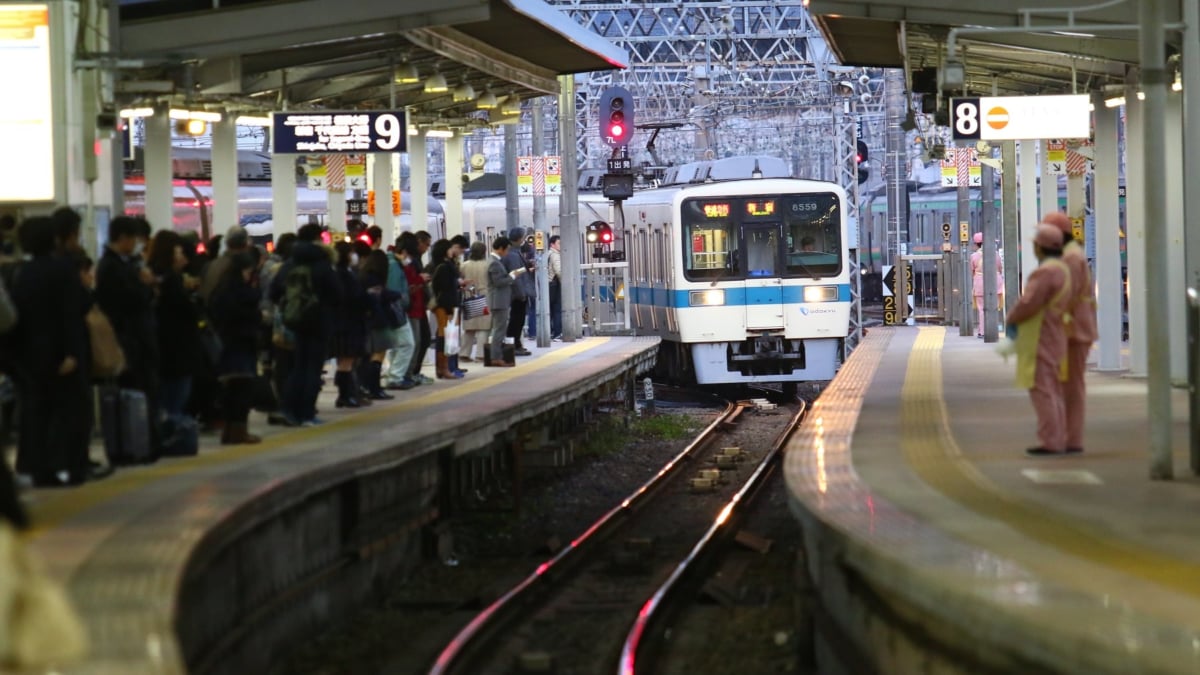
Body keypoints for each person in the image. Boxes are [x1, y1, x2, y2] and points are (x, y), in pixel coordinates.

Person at [10, 217, 93, 485]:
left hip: (30, 355)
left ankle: (37, 468)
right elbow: (72, 311)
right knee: (72, 412)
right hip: (62, 353)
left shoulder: (19, 272)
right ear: (54, 239)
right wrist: (71, 352)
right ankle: (72, 466)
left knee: (36, 413)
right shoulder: (63, 270)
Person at [95, 216, 161, 462]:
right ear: (122, 238)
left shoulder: (125, 264)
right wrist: (146, 286)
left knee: (144, 391)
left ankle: (143, 443)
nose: (137, 245)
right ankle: (137, 446)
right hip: (129, 341)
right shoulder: (111, 268)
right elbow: (130, 301)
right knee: (137, 391)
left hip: (137, 339)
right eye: (134, 239)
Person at [1006, 224, 1073, 457]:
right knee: (1053, 389)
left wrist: (1011, 318)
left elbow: (1029, 302)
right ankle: (1058, 437)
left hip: (1040, 335)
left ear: (1040, 247)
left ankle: (1051, 441)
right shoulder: (1062, 269)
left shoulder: (1045, 272)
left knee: (1042, 389)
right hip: (1056, 332)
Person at [270, 224, 339, 427]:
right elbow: (337, 293)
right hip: (319, 323)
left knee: (298, 367)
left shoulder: (290, 262)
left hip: (296, 322)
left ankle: (289, 410)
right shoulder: (322, 263)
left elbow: (274, 291)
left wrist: (290, 308)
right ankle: (307, 414)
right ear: (318, 239)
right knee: (312, 369)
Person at [1043, 212, 1095, 454]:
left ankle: (1072, 440)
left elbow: (1065, 295)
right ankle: (1065, 437)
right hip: (1070, 328)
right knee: (1065, 385)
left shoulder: (1072, 258)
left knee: (1072, 386)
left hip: (1074, 329)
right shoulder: (1070, 256)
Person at [148, 231, 201, 424]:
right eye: (179, 253)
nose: (183, 259)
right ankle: (172, 435)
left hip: (163, 347)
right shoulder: (172, 281)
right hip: (177, 348)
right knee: (176, 396)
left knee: (166, 396)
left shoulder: (153, 277)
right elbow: (187, 311)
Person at [209, 253, 262, 444]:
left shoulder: (221, 288)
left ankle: (230, 430)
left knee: (232, 388)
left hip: (227, 342)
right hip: (241, 342)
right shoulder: (241, 291)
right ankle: (239, 430)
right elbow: (248, 312)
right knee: (242, 387)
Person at [330, 241, 368, 407]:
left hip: (345, 322)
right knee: (346, 360)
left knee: (346, 360)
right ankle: (345, 396)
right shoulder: (343, 274)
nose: (354, 256)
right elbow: (352, 297)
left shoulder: (343, 272)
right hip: (347, 323)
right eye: (351, 252)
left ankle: (347, 394)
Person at [429, 239, 464, 379]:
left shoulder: (445, 266)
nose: (452, 251)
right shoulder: (444, 267)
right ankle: (443, 369)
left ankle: (443, 368)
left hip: (447, 305)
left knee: (446, 337)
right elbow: (443, 289)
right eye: (450, 249)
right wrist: (450, 308)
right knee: (444, 337)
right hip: (445, 306)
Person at [487, 236, 524, 367]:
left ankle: (496, 356)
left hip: (499, 300)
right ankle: (495, 357)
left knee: (498, 329)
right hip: (498, 301)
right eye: (507, 250)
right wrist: (512, 276)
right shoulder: (494, 262)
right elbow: (498, 282)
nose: (507, 253)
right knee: (499, 330)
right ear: (501, 249)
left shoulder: (495, 261)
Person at [459, 242, 492, 361]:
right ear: (484, 252)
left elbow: (460, 279)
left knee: (469, 327)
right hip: (485, 297)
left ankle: (464, 353)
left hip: (469, 296)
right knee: (484, 327)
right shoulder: (488, 265)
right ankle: (481, 355)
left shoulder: (464, 265)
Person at [503, 227, 533, 357]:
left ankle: (516, 345)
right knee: (516, 321)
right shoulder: (513, 254)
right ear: (520, 238)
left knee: (517, 321)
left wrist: (527, 266)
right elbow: (516, 276)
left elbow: (518, 271)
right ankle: (513, 346)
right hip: (517, 294)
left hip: (516, 293)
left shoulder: (514, 252)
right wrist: (521, 294)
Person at [970, 232, 1004, 338]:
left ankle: (982, 331)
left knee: (981, 309)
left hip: (979, 283)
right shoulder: (995, 255)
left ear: (977, 244)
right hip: (995, 282)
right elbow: (999, 268)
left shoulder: (973, 256)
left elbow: (972, 271)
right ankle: (994, 330)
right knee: (994, 307)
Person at [547, 235, 563, 340]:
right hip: (554, 285)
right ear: (552, 244)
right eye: (559, 243)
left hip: (549, 285)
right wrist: (565, 283)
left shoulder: (548, 253)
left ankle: (551, 332)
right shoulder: (555, 255)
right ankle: (557, 333)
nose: (561, 246)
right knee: (557, 309)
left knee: (551, 310)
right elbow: (559, 271)